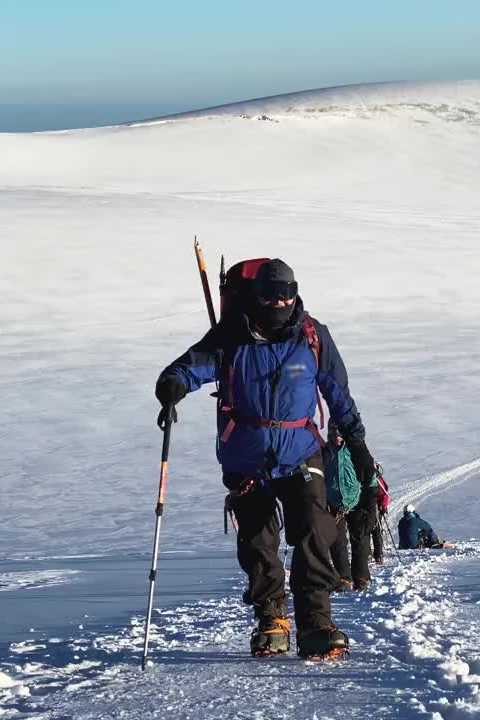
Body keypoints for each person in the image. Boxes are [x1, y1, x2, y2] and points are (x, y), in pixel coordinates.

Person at [155, 258, 375, 660]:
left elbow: (338, 393)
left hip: (300, 451)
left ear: (296, 293)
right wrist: (171, 386)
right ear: (255, 297)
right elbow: (192, 366)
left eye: (286, 294)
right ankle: (272, 617)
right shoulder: (232, 335)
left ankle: (316, 624)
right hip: (246, 456)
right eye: (271, 295)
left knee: (312, 531)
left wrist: (358, 446)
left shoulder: (312, 336)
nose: (279, 302)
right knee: (258, 541)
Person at [324, 421, 378, 592]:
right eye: (334, 434)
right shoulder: (325, 452)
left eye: (340, 434)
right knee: (336, 541)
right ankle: (343, 578)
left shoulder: (356, 450)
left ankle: (361, 577)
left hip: (358, 500)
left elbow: (370, 475)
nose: (338, 438)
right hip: (333, 504)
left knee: (360, 538)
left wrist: (370, 503)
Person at [370, 463, 391, 565]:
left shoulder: (359, 476)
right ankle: (378, 555)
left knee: (364, 533)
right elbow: (385, 495)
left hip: (363, 508)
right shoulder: (378, 479)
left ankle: (366, 554)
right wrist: (383, 507)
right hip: (375, 509)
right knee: (376, 531)